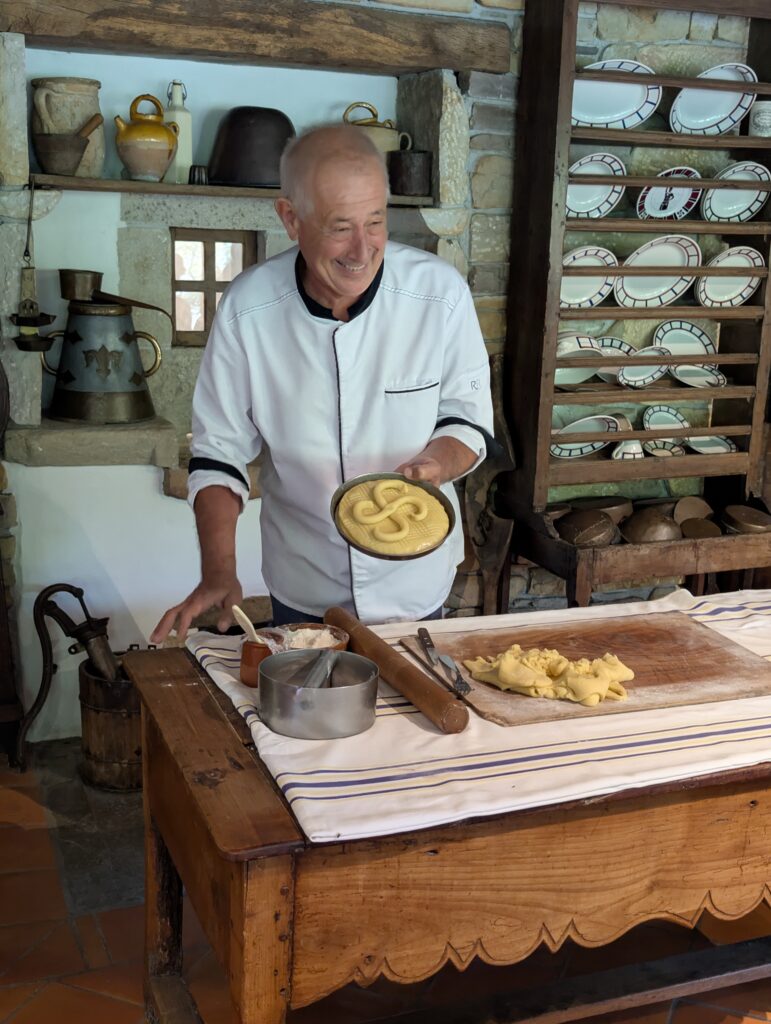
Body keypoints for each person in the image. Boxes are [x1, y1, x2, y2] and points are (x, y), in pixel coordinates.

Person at [151, 124, 494, 643]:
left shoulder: (440, 295)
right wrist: (218, 570)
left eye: (375, 221)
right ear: (290, 218)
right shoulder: (248, 309)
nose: (362, 248)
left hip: (415, 587)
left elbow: (466, 421)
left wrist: (435, 464)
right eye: (340, 227)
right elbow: (219, 453)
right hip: (304, 586)